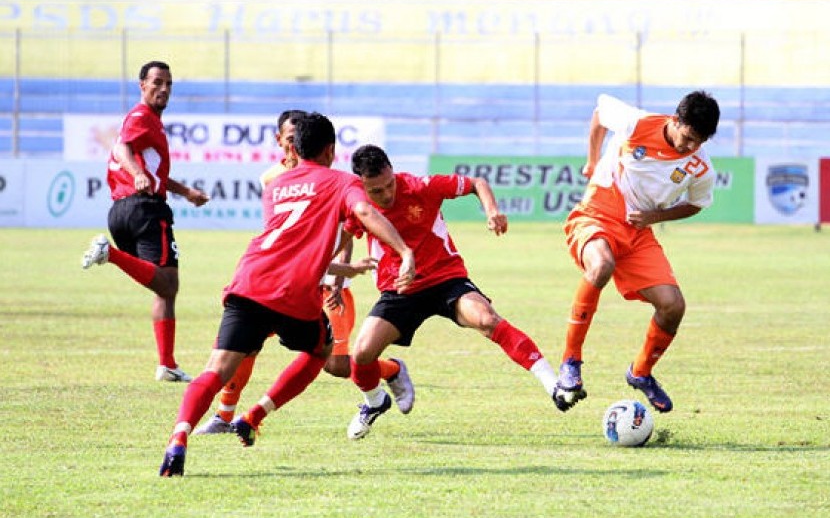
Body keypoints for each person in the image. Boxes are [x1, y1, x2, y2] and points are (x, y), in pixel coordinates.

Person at [159, 112, 416, 476]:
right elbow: (361, 211)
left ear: (294, 146)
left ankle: (178, 439)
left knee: (215, 369)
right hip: (293, 294)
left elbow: (287, 242)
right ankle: (255, 414)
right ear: (331, 150)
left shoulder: (275, 185)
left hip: (248, 280)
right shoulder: (344, 182)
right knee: (321, 352)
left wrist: (343, 271)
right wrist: (405, 252)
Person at [344, 144, 562, 440]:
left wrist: (492, 210)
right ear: (362, 185)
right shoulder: (357, 205)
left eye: (389, 184)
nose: (387, 194)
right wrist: (342, 272)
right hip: (401, 290)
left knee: (486, 319)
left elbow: (477, 183)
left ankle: (554, 385)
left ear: (393, 171)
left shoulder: (421, 186)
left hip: (446, 279)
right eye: (377, 191)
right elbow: (345, 232)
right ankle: (374, 403)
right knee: (362, 354)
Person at [552, 91, 720, 414]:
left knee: (673, 306)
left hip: (639, 231)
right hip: (597, 212)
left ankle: (641, 373)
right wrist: (592, 159)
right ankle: (570, 362)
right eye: (686, 137)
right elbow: (600, 111)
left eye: (697, 142)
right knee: (600, 265)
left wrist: (654, 217)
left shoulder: (700, 167)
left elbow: (697, 204)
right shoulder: (637, 123)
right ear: (676, 120)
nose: (688, 147)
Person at [80, 60, 209, 382]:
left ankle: (167, 364)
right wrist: (136, 173)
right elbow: (122, 147)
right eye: (157, 82)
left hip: (123, 210)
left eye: (168, 83)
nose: (163, 89)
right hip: (145, 210)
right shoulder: (141, 117)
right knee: (168, 285)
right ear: (142, 85)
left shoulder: (151, 123)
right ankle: (109, 254)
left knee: (162, 287)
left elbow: (154, 173)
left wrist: (185, 192)